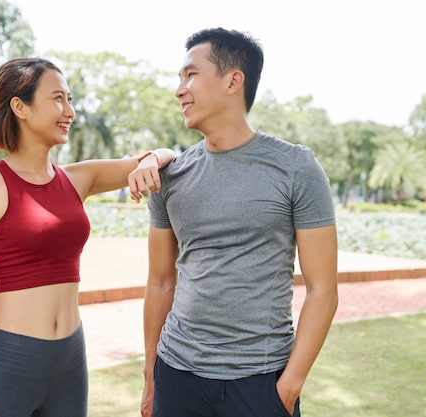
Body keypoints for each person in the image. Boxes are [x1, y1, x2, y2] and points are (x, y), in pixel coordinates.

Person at [0, 56, 175, 417]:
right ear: (20, 107)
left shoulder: (77, 178)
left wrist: (150, 158)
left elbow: (168, 155)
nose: (69, 110)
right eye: (58, 98)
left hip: (70, 359)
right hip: (11, 358)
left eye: (70, 99)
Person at [141, 28, 338, 417]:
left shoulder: (296, 167)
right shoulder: (170, 176)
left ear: (233, 80)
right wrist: (151, 377)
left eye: (190, 75)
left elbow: (323, 290)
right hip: (176, 376)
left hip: (261, 382)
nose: (179, 89)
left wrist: (287, 389)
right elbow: (160, 281)